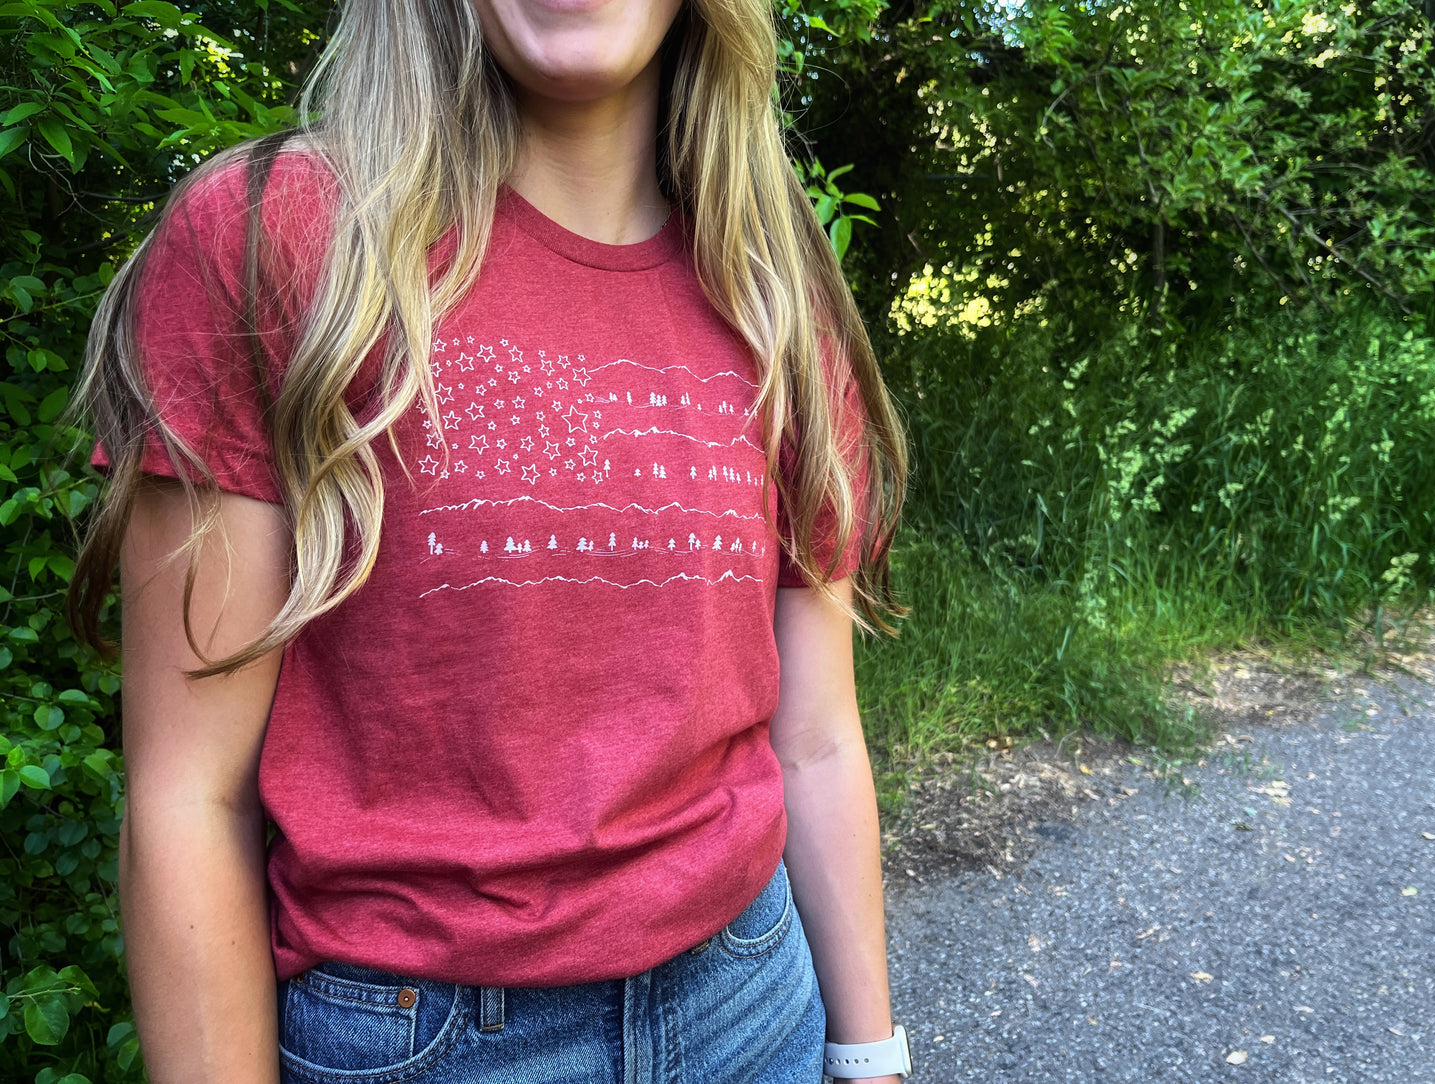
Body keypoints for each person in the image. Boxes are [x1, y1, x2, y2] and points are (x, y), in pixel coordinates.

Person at [68, 0, 910, 1079]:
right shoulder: (280, 236)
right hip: (423, 1043)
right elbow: (188, 794)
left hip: (752, 1005)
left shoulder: (772, 287)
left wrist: (869, 1050)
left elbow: (818, 736)